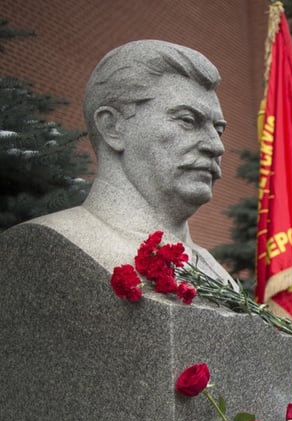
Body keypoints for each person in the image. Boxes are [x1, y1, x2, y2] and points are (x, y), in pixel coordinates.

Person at [25, 40, 235, 284]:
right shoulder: (54, 244)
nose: (216, 146)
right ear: (113, 127)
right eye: (188, 120)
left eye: (218, 130)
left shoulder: (217, 275)